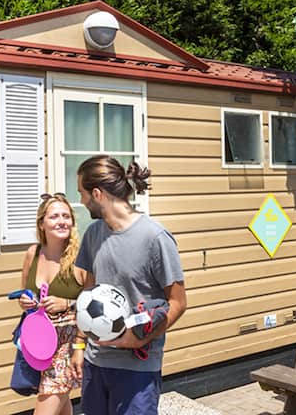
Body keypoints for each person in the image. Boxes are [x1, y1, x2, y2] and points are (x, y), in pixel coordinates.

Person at [70, 155, 187, 415]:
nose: (81, 200)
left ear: (97, 194)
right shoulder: (93, 234)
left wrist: (140, 339)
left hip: (137, 370)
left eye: (82, 193)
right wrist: (79, 346)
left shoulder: (155, 238)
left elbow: (178, 303)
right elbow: (87, 296)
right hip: (95, 363)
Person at [18, 193, 86, 415]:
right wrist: (25, 301)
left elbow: (96, 302)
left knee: (47, 406)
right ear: (42, 223)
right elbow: (24, 294)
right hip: (39, 345)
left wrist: (67, 302)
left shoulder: (80, 258)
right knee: (61, 407)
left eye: (66, 216)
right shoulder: (33, 254)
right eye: (54, 216)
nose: (62, 221)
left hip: (68, 346)